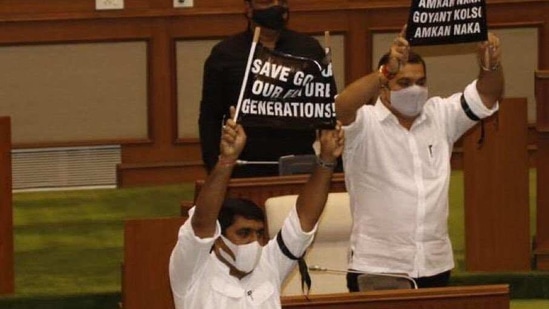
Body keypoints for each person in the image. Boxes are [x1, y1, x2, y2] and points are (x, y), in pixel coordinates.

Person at [335, 27, 504, 291]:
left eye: (421, 82)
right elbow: (341, 107)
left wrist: (490, 65)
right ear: (384, 88)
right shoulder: (365, 123)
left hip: (434, 263)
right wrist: (385, 70)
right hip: (379, 266)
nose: (414, 89)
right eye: (403, 82)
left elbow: (486, 95)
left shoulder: (440, 115)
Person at [169, 106, 344, 308]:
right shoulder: (193, 270)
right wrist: (227, 161)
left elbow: (304, 220)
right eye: (244, 233)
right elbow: (201, 224)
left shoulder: (269, 262)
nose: (254, 241)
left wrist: (327, 161)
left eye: (259, 234)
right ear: (218, 238)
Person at [199, 0, 327, 177]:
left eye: (281, 1)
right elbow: (210, 117)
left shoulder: (309, 50)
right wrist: (215, 167)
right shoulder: (225, 54)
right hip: (244, 164)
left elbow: (324, 107)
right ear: (249, 9)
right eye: (266, 2)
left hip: (299, 162)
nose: (276, 7)